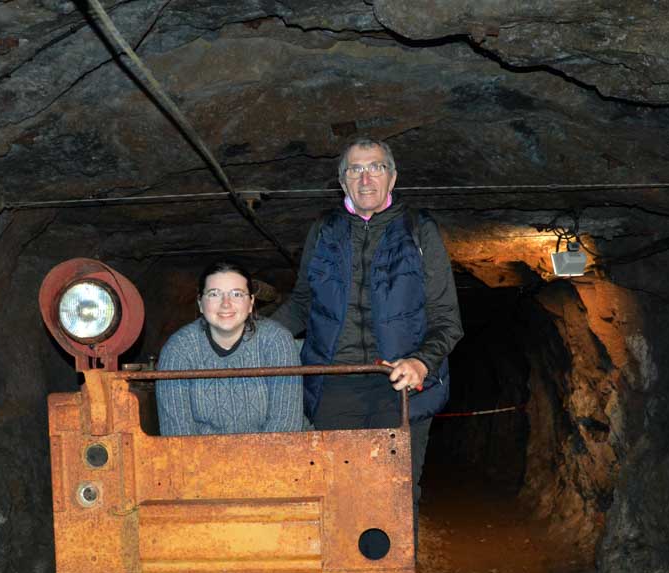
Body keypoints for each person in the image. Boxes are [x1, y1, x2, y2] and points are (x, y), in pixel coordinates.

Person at [271, 138, 463, 525]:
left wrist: (421, 362)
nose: (365, 178)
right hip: (334, 385)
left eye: (375, 167)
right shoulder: (324, 231)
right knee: (337, 495)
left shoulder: (418, 229)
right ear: (342, 181)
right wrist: (250, 334)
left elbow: (446, 318)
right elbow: (303, 304)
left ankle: (393, 568)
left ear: (392, 177)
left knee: (394, 496)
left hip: (400, 387)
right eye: (355, 169)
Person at [156, 261, 305, 436]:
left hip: (274, 451)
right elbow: (177, 435)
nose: (226, 303)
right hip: (201, 453)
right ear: (200, 303)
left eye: (237, 294)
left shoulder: (276, 341)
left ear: (251, 303)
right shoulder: (179, 350)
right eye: (214, 294)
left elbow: (285, 426)